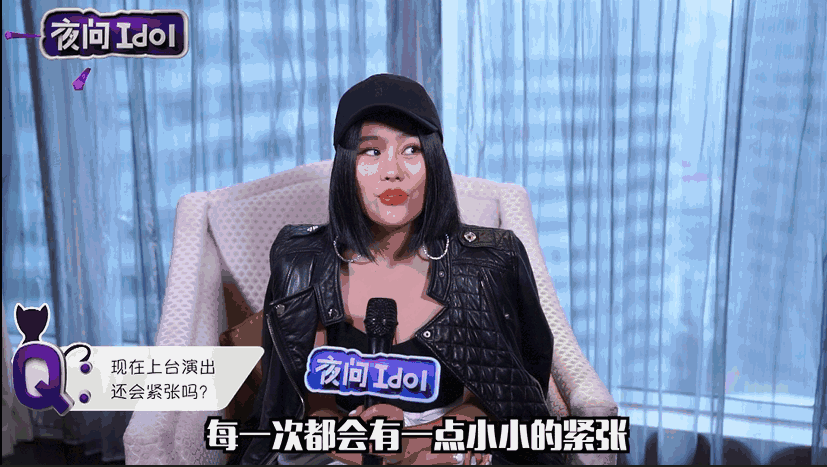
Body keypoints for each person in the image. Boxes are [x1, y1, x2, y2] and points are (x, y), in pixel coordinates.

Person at [235, 74, 563, 465]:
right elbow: (312, 407)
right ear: (347, 166)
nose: (393, 171)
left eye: (411, 150)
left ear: (433, 163)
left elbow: (502, 393)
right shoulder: (303, 262)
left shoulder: (489, 263)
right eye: (371, 152)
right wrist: (360, 442)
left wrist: (426, 441)